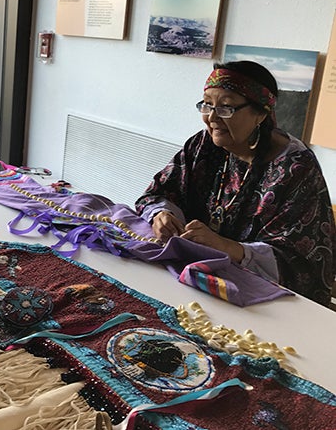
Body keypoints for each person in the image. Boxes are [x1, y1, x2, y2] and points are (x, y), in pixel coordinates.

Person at [136, 61, 335, 306]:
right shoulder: (203, 146)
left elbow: (300, 264)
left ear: (261, 114)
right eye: (207, 104)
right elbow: (159, 192)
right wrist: (162, 215)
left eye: (226, 107)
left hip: (263, 301)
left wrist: (228, 247)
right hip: (198, 280)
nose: (211, 118)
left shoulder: (295, 169)